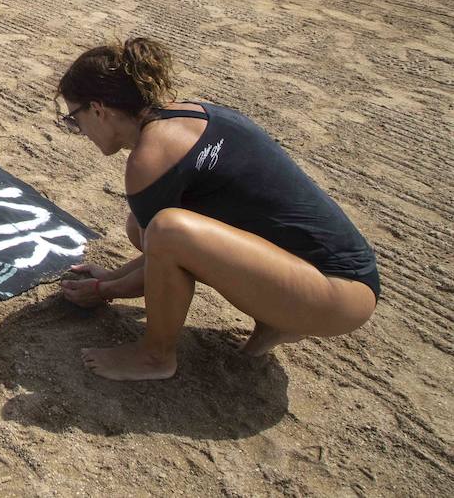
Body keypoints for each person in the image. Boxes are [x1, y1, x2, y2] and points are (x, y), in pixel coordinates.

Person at [55, 38, 378, 381]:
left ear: (98, 109)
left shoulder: (148, 159)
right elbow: (166, 256)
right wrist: (114, 277)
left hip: (335, 296)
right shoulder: (188, 114)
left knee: (166, 229)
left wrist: (103, 291)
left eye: (75, 120)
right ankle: (276, 322)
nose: (80, 131)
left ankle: (155, 357)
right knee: (143, 227)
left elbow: (168, 248)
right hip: (333, 276)